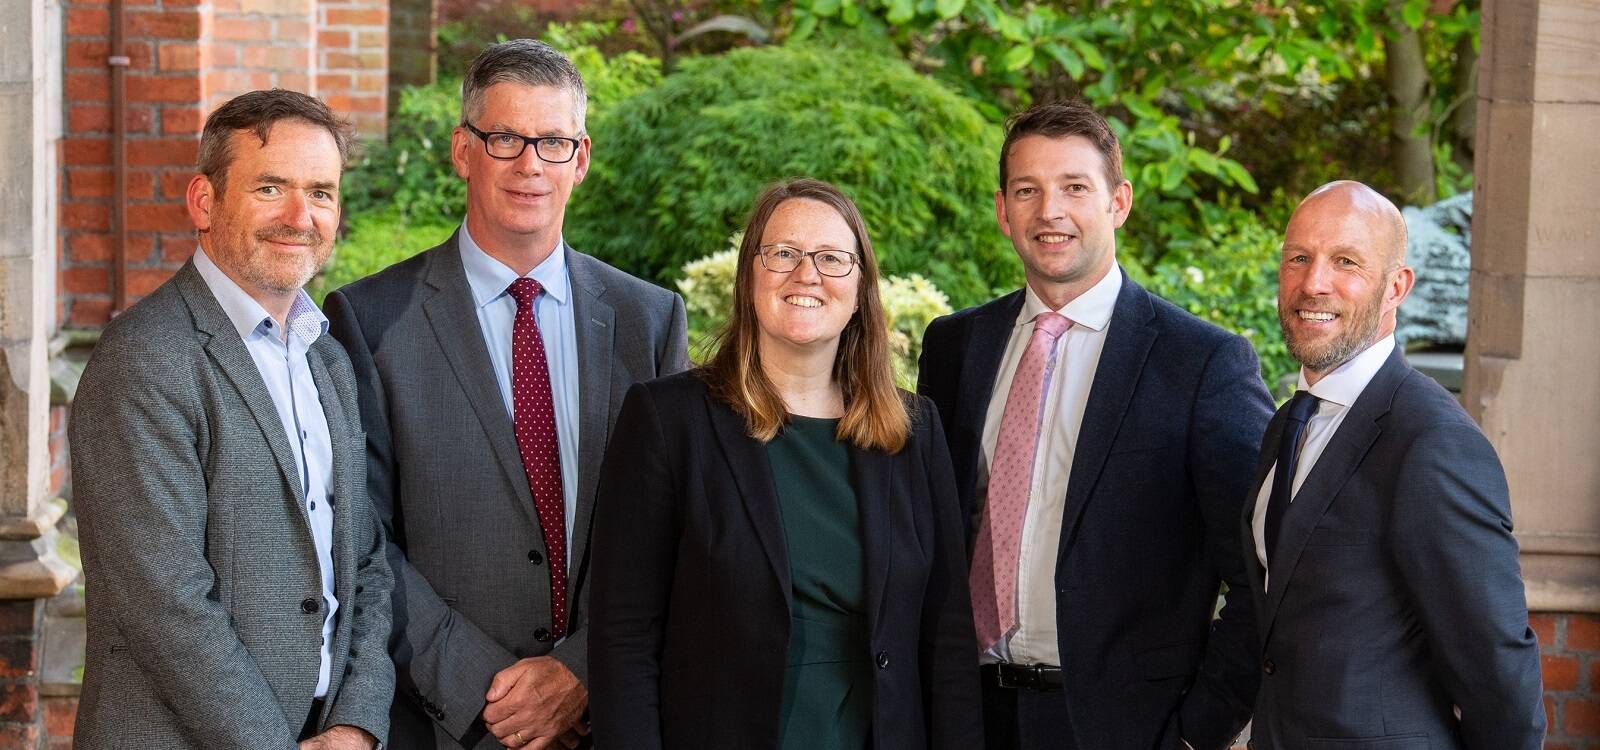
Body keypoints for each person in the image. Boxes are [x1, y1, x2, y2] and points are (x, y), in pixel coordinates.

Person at [323, 39, 689, 750]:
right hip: (446, 723)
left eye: (552, 141)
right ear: (463, 150)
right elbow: (360, 538)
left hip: (607, 719)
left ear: (580, 159)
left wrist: (580, 671)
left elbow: (672, 523)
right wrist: (486, 691)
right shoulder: (368, 320)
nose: (530, 164)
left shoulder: (647, 319)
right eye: (504, 139)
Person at [916, 100, 1272, 750]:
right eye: (1028, 190)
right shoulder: (954, 347)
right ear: (1003, 210)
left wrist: (1197, 733)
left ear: (1119, 202)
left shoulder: (1201, 364)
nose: (1049, 211)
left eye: (1074, 187)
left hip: (1124, 728)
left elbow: (1262, 576)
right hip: (965, 714)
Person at [588, 179, 983, 750]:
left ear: (860, 287)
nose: (807, 275)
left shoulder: (914, 432)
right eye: (783, 254)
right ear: (751, 275)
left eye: (831, 258)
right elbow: (624, 637)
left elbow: (946, 638)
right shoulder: (667, 421)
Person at [69, 89, 393, 749]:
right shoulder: (146, 358)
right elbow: (166, 603)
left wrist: (357, 725)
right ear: (203, 201)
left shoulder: (326, 357)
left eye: (322, 192)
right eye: (271, 188)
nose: (300, 216)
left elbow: (366, 560)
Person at [1243, 180, 1545, 748]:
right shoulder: (1288, 424)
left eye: (1346, 262)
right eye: (1299, 258)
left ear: (1396, 286)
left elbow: (1497, 669)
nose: (1313, 283)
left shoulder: (1432, 441)